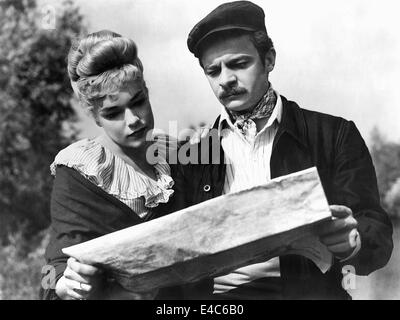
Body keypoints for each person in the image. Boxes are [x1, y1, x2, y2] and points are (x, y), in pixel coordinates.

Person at [173, 1, 393, 299]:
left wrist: (351, 242)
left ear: (269, 60)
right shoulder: (192, 152)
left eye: (239, 64)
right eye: (213, 71)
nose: (225, 79)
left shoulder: (335, 135)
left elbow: (376, 233)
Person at [40, 30, 178, 300]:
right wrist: (67, 284)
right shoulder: (79, 171)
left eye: (138, 102)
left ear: (147, 93)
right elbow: (51, 268)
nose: (133, 120)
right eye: (113, 113)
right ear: (95, 116)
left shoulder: (178, 155)